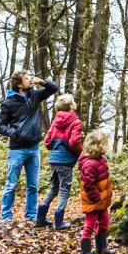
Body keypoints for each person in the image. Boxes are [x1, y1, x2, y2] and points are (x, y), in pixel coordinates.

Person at [0, 70, 60, 223]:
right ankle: (6, 216)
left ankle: (31, 215)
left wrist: (42, 81)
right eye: (27, 78)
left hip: (34, 148)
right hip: (17, 150)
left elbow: (54, 88)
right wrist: (14, 133)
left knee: (33, 185)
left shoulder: (35, 96)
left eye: (31, 77)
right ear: (19, 83)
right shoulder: (9, 102)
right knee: (11, 184)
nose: (30, 80)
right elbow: (0, 126)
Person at [36, 94, 83, 229]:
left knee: (53, 188)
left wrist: (55, 148)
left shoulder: (56, 121)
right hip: (65, 161)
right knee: (64, 190)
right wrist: (80, 152)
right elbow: (74, 142)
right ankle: (59, 221)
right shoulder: (75, 122)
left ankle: (40, 218)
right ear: (70, 106)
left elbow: (47, 141)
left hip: (54, 159)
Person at [77, 128, 117, 254]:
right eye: (105, 144)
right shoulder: (89, 163)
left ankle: (102, 248)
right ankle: (85, 252)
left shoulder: (101, 159)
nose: (107, 146)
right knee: (89, 226)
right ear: (97, 145)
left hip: (102, 202)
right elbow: (89, 184)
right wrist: (97, 198)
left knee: (104, 223)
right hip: (93, 201)